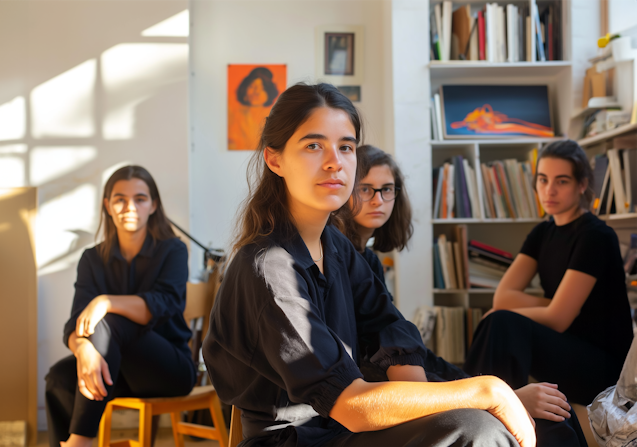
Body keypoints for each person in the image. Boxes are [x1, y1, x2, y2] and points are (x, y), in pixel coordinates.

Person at [203, 83, 536, 447]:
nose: (335, 161)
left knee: (500, 421)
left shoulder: (337, 247)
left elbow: (388, 325)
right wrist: (487, 391)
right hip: (299, 439)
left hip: (345, 430)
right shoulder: (268, 269)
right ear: (275, 159)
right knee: (477, 429)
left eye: (346, 147)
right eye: (314, 145)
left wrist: (441, 404)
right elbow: (352, 405)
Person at [338, 144, 586, 446]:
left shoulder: (370, 259)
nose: (378, 200)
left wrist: (493, 390)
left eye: (386, 189)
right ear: (345, 191)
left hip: (408, 389)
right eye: (365, 189)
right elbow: (386, 367)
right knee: (548, 421)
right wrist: (491, 395)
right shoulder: (343, 259)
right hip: (384, 400)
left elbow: (419, 356)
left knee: (555, 414)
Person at [464, 139, 634, 408]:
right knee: (497, 321)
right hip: (567, 344)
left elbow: (557, 319)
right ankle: (479, 407)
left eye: (562, 181)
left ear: (581, 185)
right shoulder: (542, 233)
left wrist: (557, 309)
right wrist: (554, 305)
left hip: (601, 365)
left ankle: (484, 409)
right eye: (543, 180)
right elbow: (504, 297)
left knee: (500, 323)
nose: (549, 190)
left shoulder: (595, 236)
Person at [45, 166, 196, 447]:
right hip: (116, 369)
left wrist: (106, 302)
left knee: (111, 321)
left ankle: (80, 441)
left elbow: (165, 304)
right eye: (120, 199)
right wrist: (84, 349)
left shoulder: (172, 249)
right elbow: (76, 322)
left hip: (169, 369)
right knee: (59, 377)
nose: (130, 207)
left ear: (153, 205)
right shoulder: (92, 258)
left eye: (140, 198)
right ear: (108, 205)